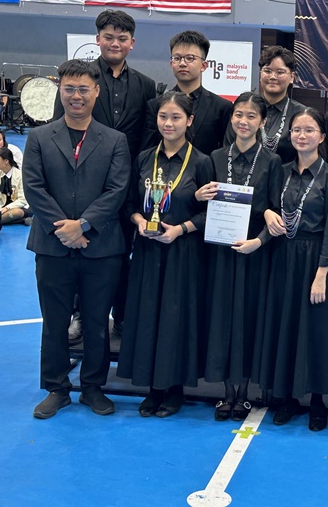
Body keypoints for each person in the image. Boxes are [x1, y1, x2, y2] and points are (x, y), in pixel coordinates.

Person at [23, 59, 131, 419]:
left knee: (97, 322)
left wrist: (83, 225)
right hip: (51, 245)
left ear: (96, 92)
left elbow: (117, 190)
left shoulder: (115, 140)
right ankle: (56, 388)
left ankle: (93, 388)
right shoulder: (39, 138)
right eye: (69, 88)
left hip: (101, 247)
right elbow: (34, 188)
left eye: (84, 89)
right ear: (60, 91)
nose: (76, 96)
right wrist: (64, 229)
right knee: (54, 321)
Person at [53, 10, 156, 334]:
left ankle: (122, 315)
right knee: (81, 252)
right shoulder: (80, 82)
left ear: (132, 43)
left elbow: (147, 136)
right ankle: (80, 315)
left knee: (123, 253)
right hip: (83, 183)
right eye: (108, 37)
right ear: (97, 39)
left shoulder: (146, 85)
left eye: (122, 38)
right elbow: (60, 131)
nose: (115, 43)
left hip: (126, 187)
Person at [117, 91, 213, 418]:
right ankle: (152, 388)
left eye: (175, 117)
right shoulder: (145, 159)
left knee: (175, 319)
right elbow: (129, 204)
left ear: (189, 121)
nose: (168, 123)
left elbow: (210, 213)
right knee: (148, 316)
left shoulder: (202, 162)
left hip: (183, 253)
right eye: (163, 117)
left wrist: (181, 229)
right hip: (147, 251)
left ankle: (174, 389)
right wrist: (139, 221)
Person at [256, 108, 328, 431]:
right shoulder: (280, 171)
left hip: (315, 259)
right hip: (283, 256)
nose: (302, 135)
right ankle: (288, 397)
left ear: (321, 137)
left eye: (309, 130)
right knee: (286, 324)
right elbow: (266, 204)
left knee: (316, 329)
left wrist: (322, 272)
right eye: (296, 130)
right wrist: (267, 213)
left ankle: (318, 400)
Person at [198, 93, 284, 421]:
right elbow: (202, 206)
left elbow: (274, 210)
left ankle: (244, 392)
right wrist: (197, 195)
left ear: (263, 122)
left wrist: (258, 241)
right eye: (238, 115)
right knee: (221, 317)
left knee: (248, 318)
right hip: (220, 252)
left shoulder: (272, 161)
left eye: (251, 116)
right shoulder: (215, 158)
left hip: (253, 252)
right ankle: (225, 393)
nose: (243, 121)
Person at [145, 30, 232, 156]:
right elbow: (147, 151)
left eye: (190, 58)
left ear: (203, 65)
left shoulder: (221, 107)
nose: (182, 63)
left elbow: (225, 153)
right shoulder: (155, 105)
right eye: (177, 58)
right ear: (171, 64)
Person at [228, 46, 307, 164]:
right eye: (267, 71)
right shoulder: (243, 109)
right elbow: (228, 149)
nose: (273, 77)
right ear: (260, 74)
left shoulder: (301, 115)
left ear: (291, 77)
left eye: (280, 72)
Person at [0, 146, 31, 225]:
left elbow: (23, 200)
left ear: (6, 161)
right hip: (1, 207)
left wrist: (7, 208)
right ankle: (21, 221)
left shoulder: (20, 175)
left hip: (19, 206)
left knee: (16, 212)